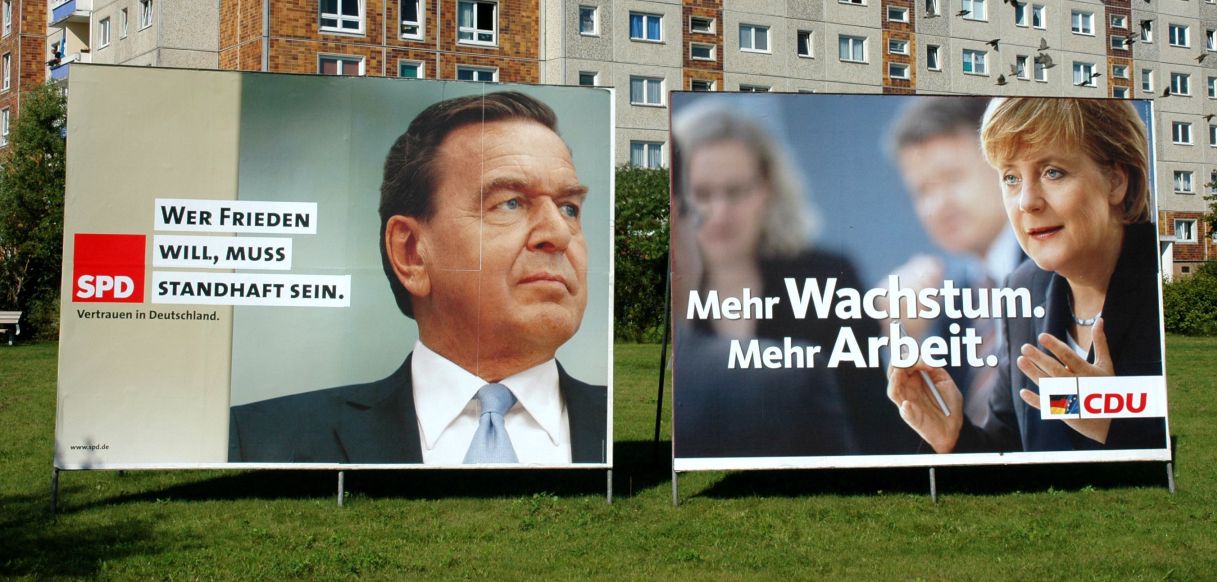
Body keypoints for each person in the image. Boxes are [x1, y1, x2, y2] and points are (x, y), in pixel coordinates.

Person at [228, 91, 606, 465]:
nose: (558, 234)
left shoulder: (616, 429)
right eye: (510, 203)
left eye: (568, 208)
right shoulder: (260, 437)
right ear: (410, 253)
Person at [887, 97, 1166, 453]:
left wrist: (1111, 423)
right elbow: (1014, 446)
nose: (1027, 202)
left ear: (1115, 181)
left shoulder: (1163, 279)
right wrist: (954, 436)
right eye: (1011, 178)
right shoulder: (1025, 286)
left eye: (1053, 172)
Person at [671, 100, 909, 458]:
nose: (719, 214)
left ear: (766, 190)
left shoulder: (831, 278)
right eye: (701, 195)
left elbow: (873, 418)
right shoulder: (669, 293)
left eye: (736, 192)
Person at [884, 96, 1026, 427]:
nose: (937, 205)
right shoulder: (949, 302)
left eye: (952, 178)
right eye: (921, 191)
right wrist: (904, 337)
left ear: (1002, 164)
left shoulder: (1059, 265)